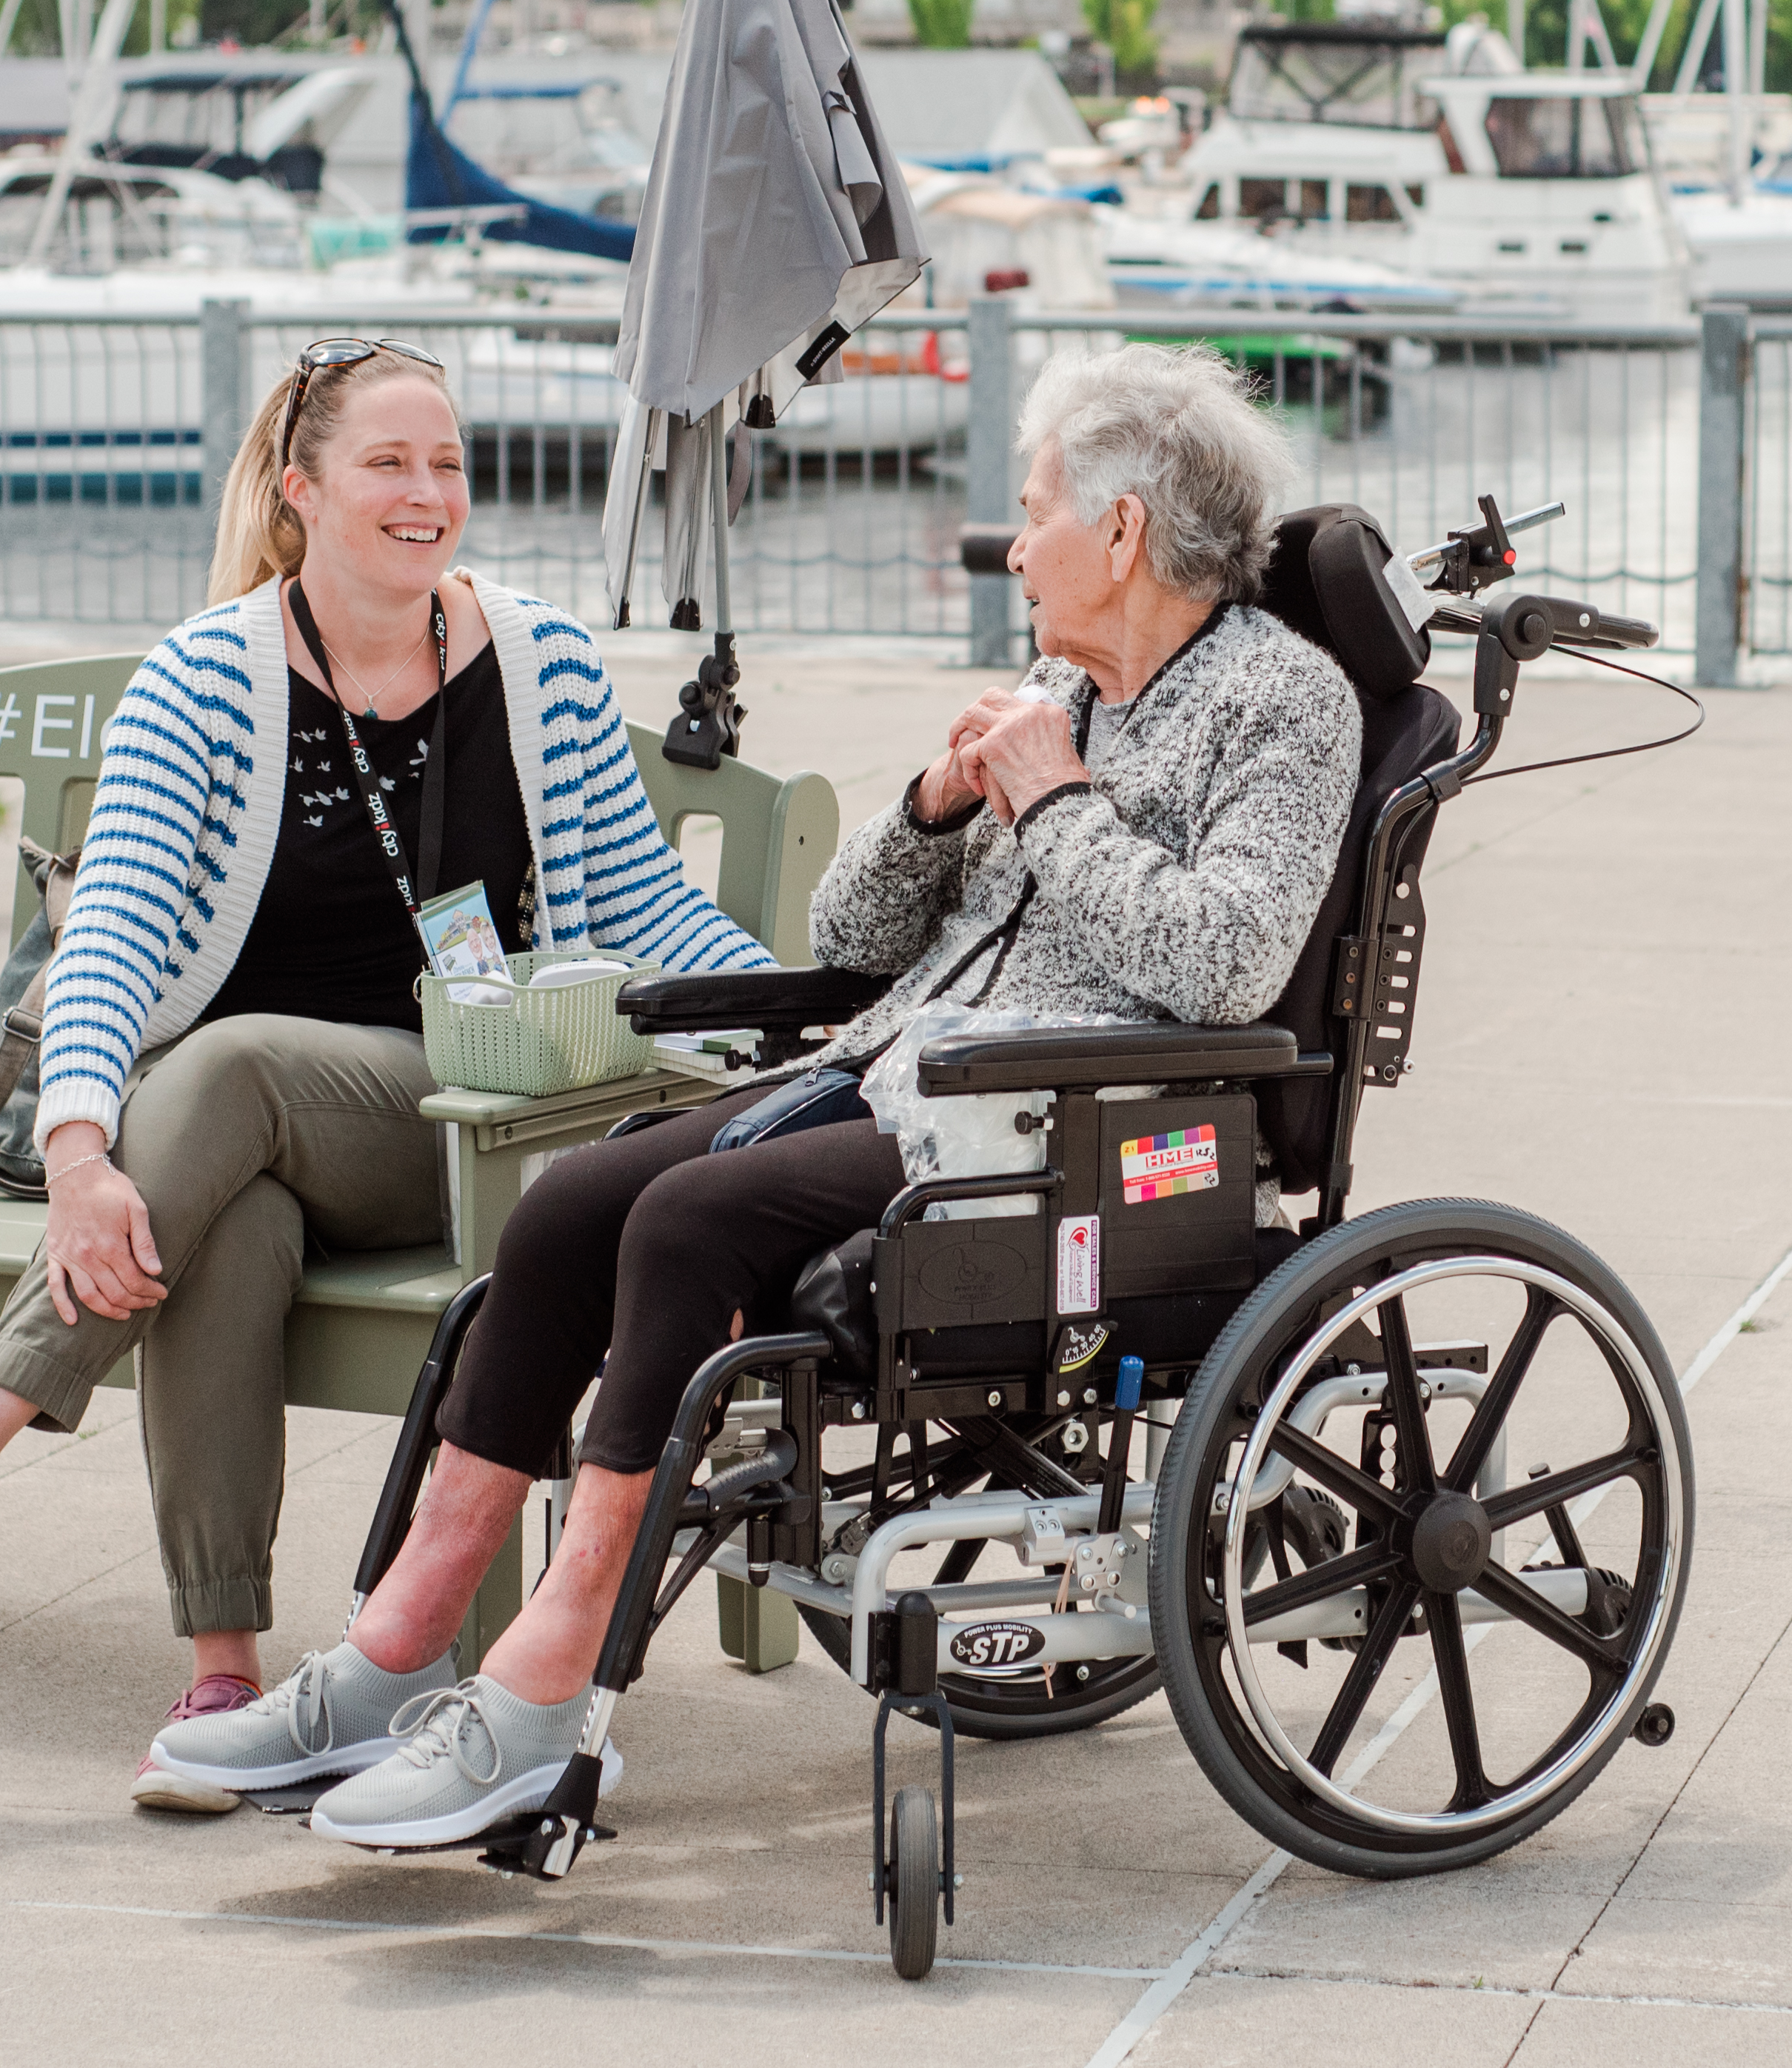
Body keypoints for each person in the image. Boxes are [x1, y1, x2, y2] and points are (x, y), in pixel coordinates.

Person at [144, 338, 1364, 1851]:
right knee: (573, 1204)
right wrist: (936, 804)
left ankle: (548, 1674)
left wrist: (1053, 800)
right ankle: (393, 1653)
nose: (1011, 540)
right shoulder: (1069, 683)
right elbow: (846, 947)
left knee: (689, 1223)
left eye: (1035, 506)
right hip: (899, 1077)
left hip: (1076, 1133)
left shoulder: (1285, 706)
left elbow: (1230, 963)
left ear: (1121, 533)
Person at [0, 336, 773, 1810]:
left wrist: (800, 1021)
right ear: (302, 489)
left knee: (229, 1068)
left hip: (479, 1135)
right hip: (246, 1148)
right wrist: (75, 1155)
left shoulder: (541, 661)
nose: (428, 491)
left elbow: (644, 904)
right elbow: (108, 927)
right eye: (389, 462)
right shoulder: (207, 678)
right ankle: (231, 1674)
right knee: (218, 1218)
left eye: (446, 461)